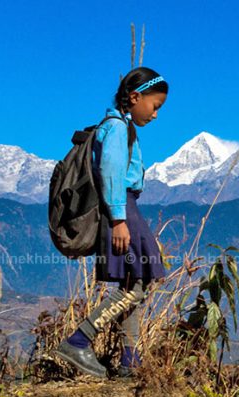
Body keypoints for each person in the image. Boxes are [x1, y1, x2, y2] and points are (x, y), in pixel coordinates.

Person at [54, 67, 169, 378]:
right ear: (135, 97)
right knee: (138, 285)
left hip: (121, 209)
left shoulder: (117, 126)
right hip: (122, 209)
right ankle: (79, 340)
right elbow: (110, 174)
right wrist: (119, 220)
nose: (156, 115)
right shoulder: (117, 128)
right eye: (155, 106)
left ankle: (130, 362)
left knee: (132, 283)